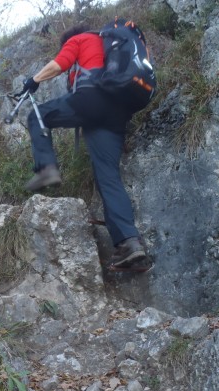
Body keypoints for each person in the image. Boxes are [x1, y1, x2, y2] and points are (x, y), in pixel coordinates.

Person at [19, 23, 148, 268]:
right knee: (108, 177)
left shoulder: (80, 39)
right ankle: (129, 243)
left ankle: (46, 169)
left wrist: (33, 81)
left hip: (93, 100)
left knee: (36, 115)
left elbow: (59, 64)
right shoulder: (112, 45)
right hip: (117, 113)